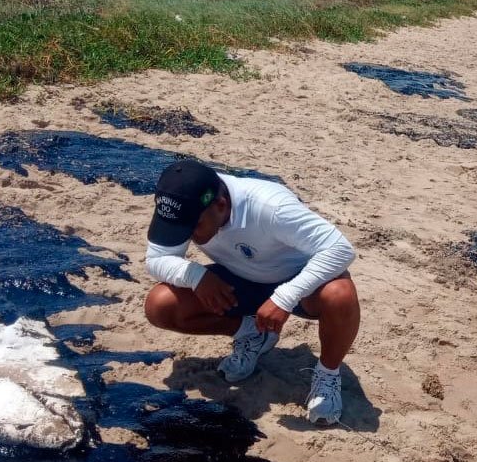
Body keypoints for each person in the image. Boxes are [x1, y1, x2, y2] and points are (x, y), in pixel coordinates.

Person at [143, 159, 360, 426]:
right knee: (160, 304)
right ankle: (253, 333)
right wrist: (197, 276)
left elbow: (340, 249)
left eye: (192, 228)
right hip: (239, 280)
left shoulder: (270, 207)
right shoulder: (181, 201)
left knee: (340, 294)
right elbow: (156, 259)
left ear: (221, 205)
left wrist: (285, 297)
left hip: (298, 283)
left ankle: (327, 375)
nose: (185, 236)